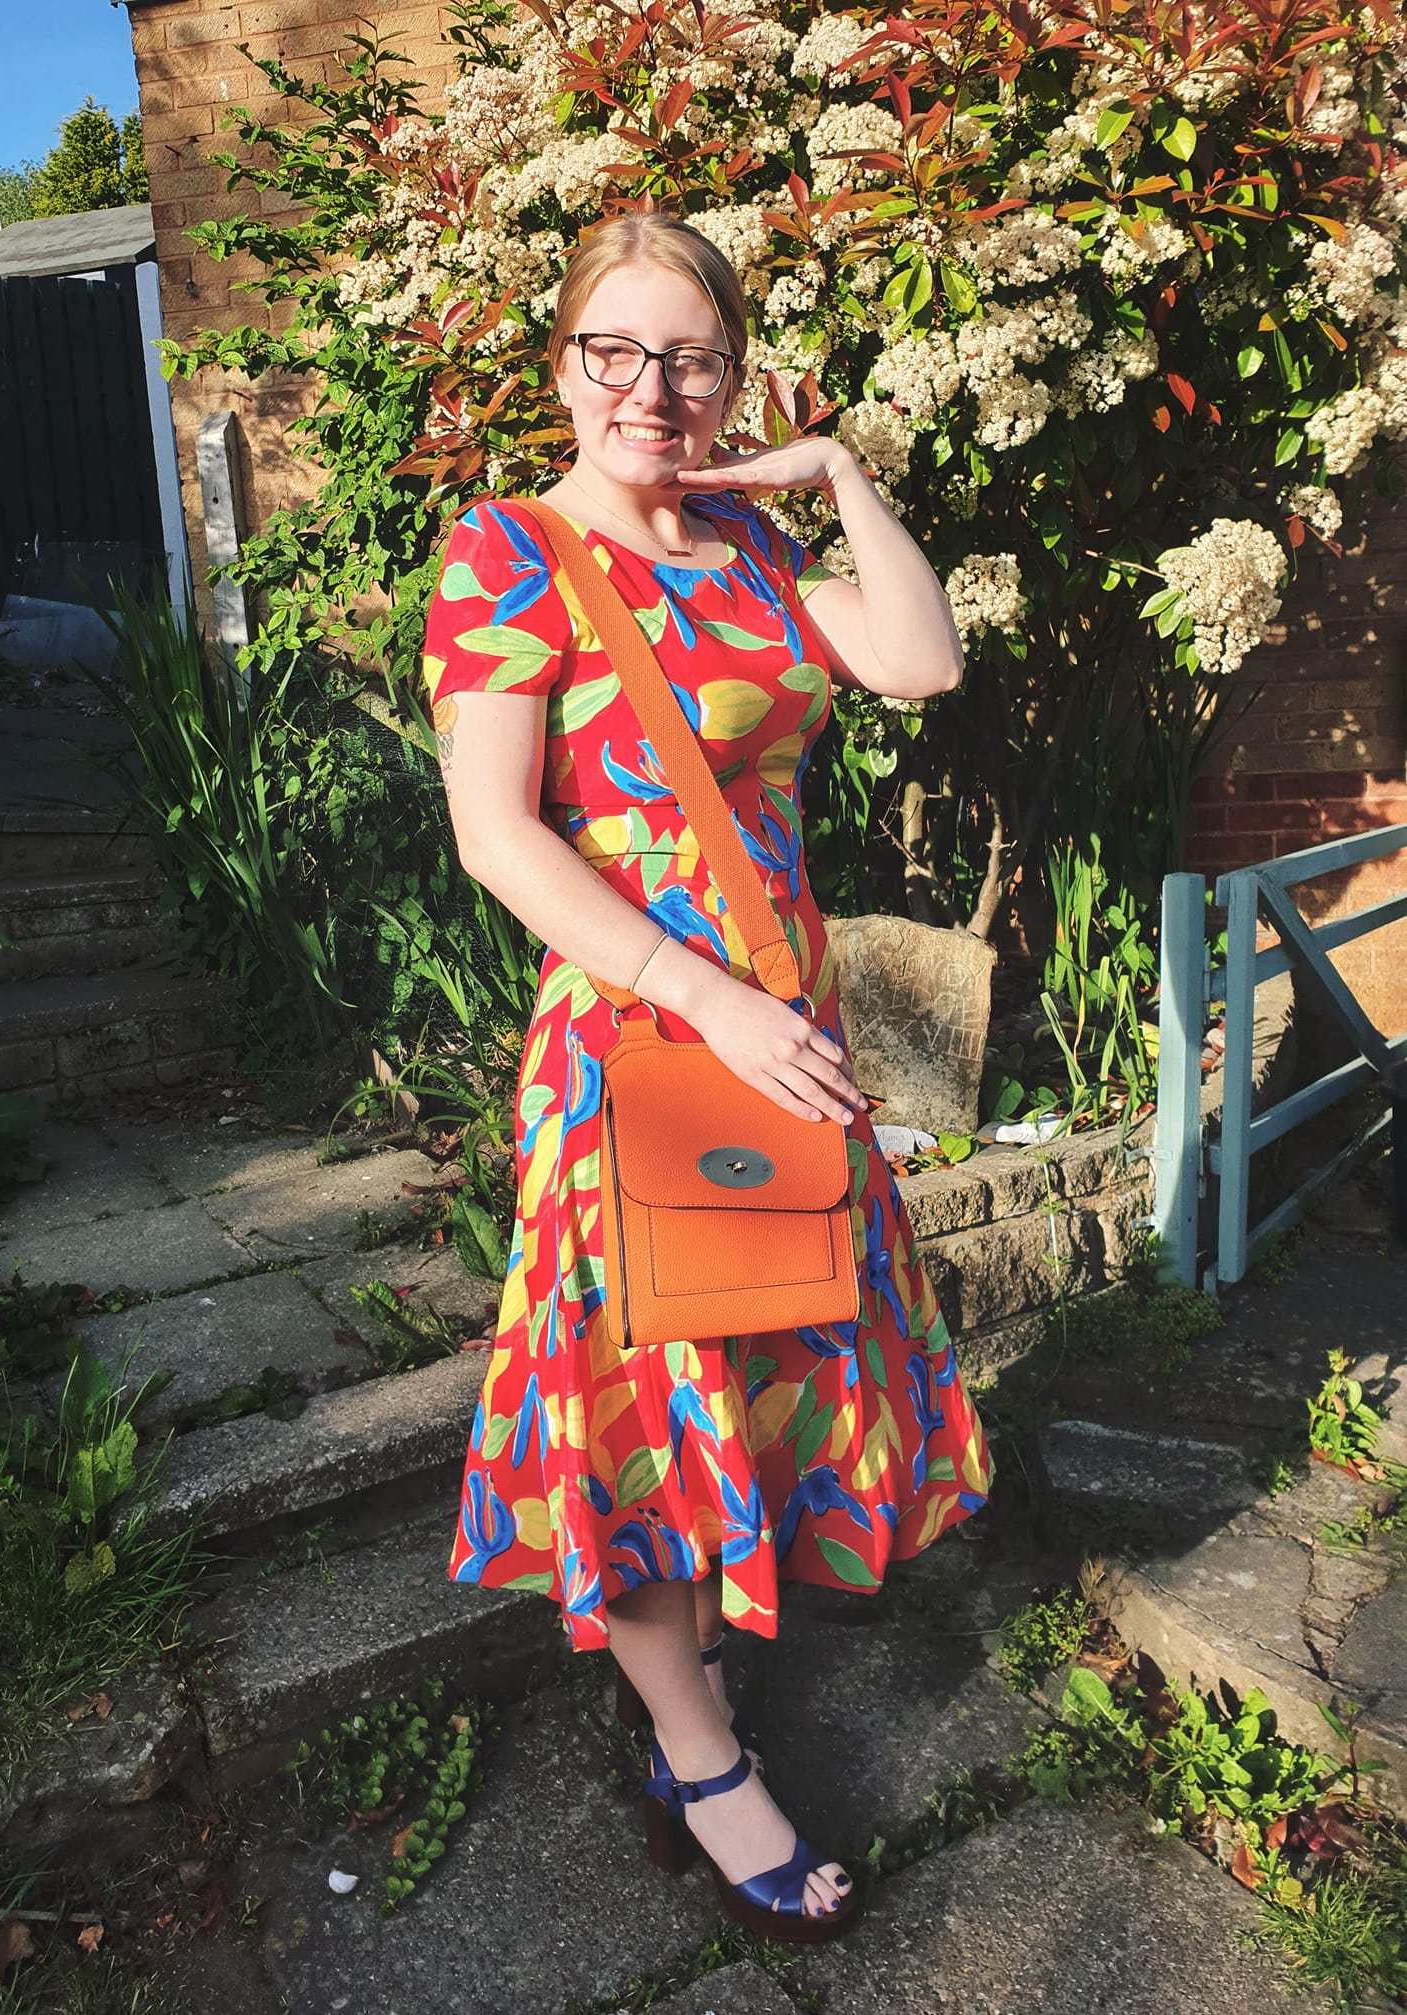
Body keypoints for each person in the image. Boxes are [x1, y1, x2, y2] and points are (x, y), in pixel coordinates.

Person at [421, 210, 994, 1939]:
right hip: (635, 1041)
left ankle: (697, 1699)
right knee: (639, 1403)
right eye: (617, 352)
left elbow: (920, 656)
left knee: (772, 1355)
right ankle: (699, 1748)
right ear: (565, 367)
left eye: (690, 359)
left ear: (732, 378)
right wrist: (699, 993)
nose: (651, 392)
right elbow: (494, 834)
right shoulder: (506, 556)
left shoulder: (748, 545)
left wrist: (834, 472)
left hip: (786, 1042)